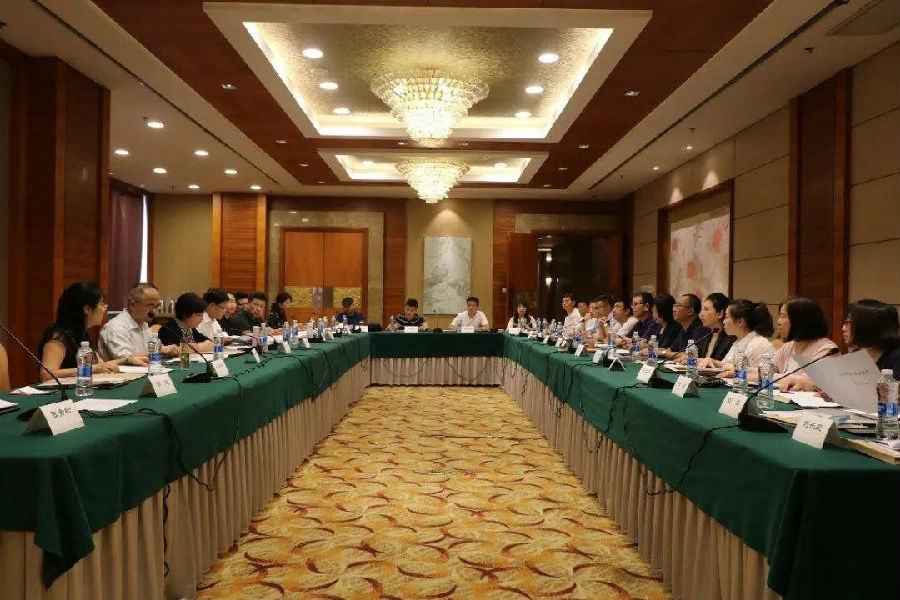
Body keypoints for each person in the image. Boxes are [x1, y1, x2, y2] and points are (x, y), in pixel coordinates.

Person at [38, 282, 143, 381]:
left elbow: (101, 365)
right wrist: (92, 369)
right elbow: (47, 374)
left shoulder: (82, 333)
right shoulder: (58, 337)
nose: (104, 309)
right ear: (87, 309)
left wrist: (127, 360)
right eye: (101, 304)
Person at [774, 297, 838, 390]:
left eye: (783, 317)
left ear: (799, 320)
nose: (778, 322)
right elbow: (765, 370)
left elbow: (807, 381)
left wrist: (769, 377)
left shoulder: (827, 350)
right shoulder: (789, 346)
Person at [100, 282, 176, 360]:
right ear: (132, 305)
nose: (154, 311)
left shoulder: (143, 324)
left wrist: (170, 350)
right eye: (150, 306)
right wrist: (160, 350)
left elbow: (154, 349)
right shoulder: (116, 327)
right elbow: (125, 358)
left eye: (156, 306)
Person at [713, 299, 776, 377]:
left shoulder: (759, 344)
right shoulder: (738, 342)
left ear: (740, 321)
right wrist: (714, 362)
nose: (723, 322)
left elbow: (763, 376)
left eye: (726, 317)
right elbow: (726, 366)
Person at [845, 299, 900, 378]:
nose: (843, 328)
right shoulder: (857, 354)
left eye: (848, 323)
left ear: (866, 326)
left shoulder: (896, 358)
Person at [660, 293, 710, 359]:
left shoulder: (700, 329)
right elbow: (671, 350)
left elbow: (690, 355)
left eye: (678, 305)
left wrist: (663, 353)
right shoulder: (683, 328)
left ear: (690, 311)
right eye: (674, 306)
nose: (674, 310)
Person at [689, 293, 734, 364]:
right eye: (702, 310)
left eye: (706, 309)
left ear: (720, 314)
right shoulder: (706, 335)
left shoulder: (730, 339)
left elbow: (723, 365)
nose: (701, 314)